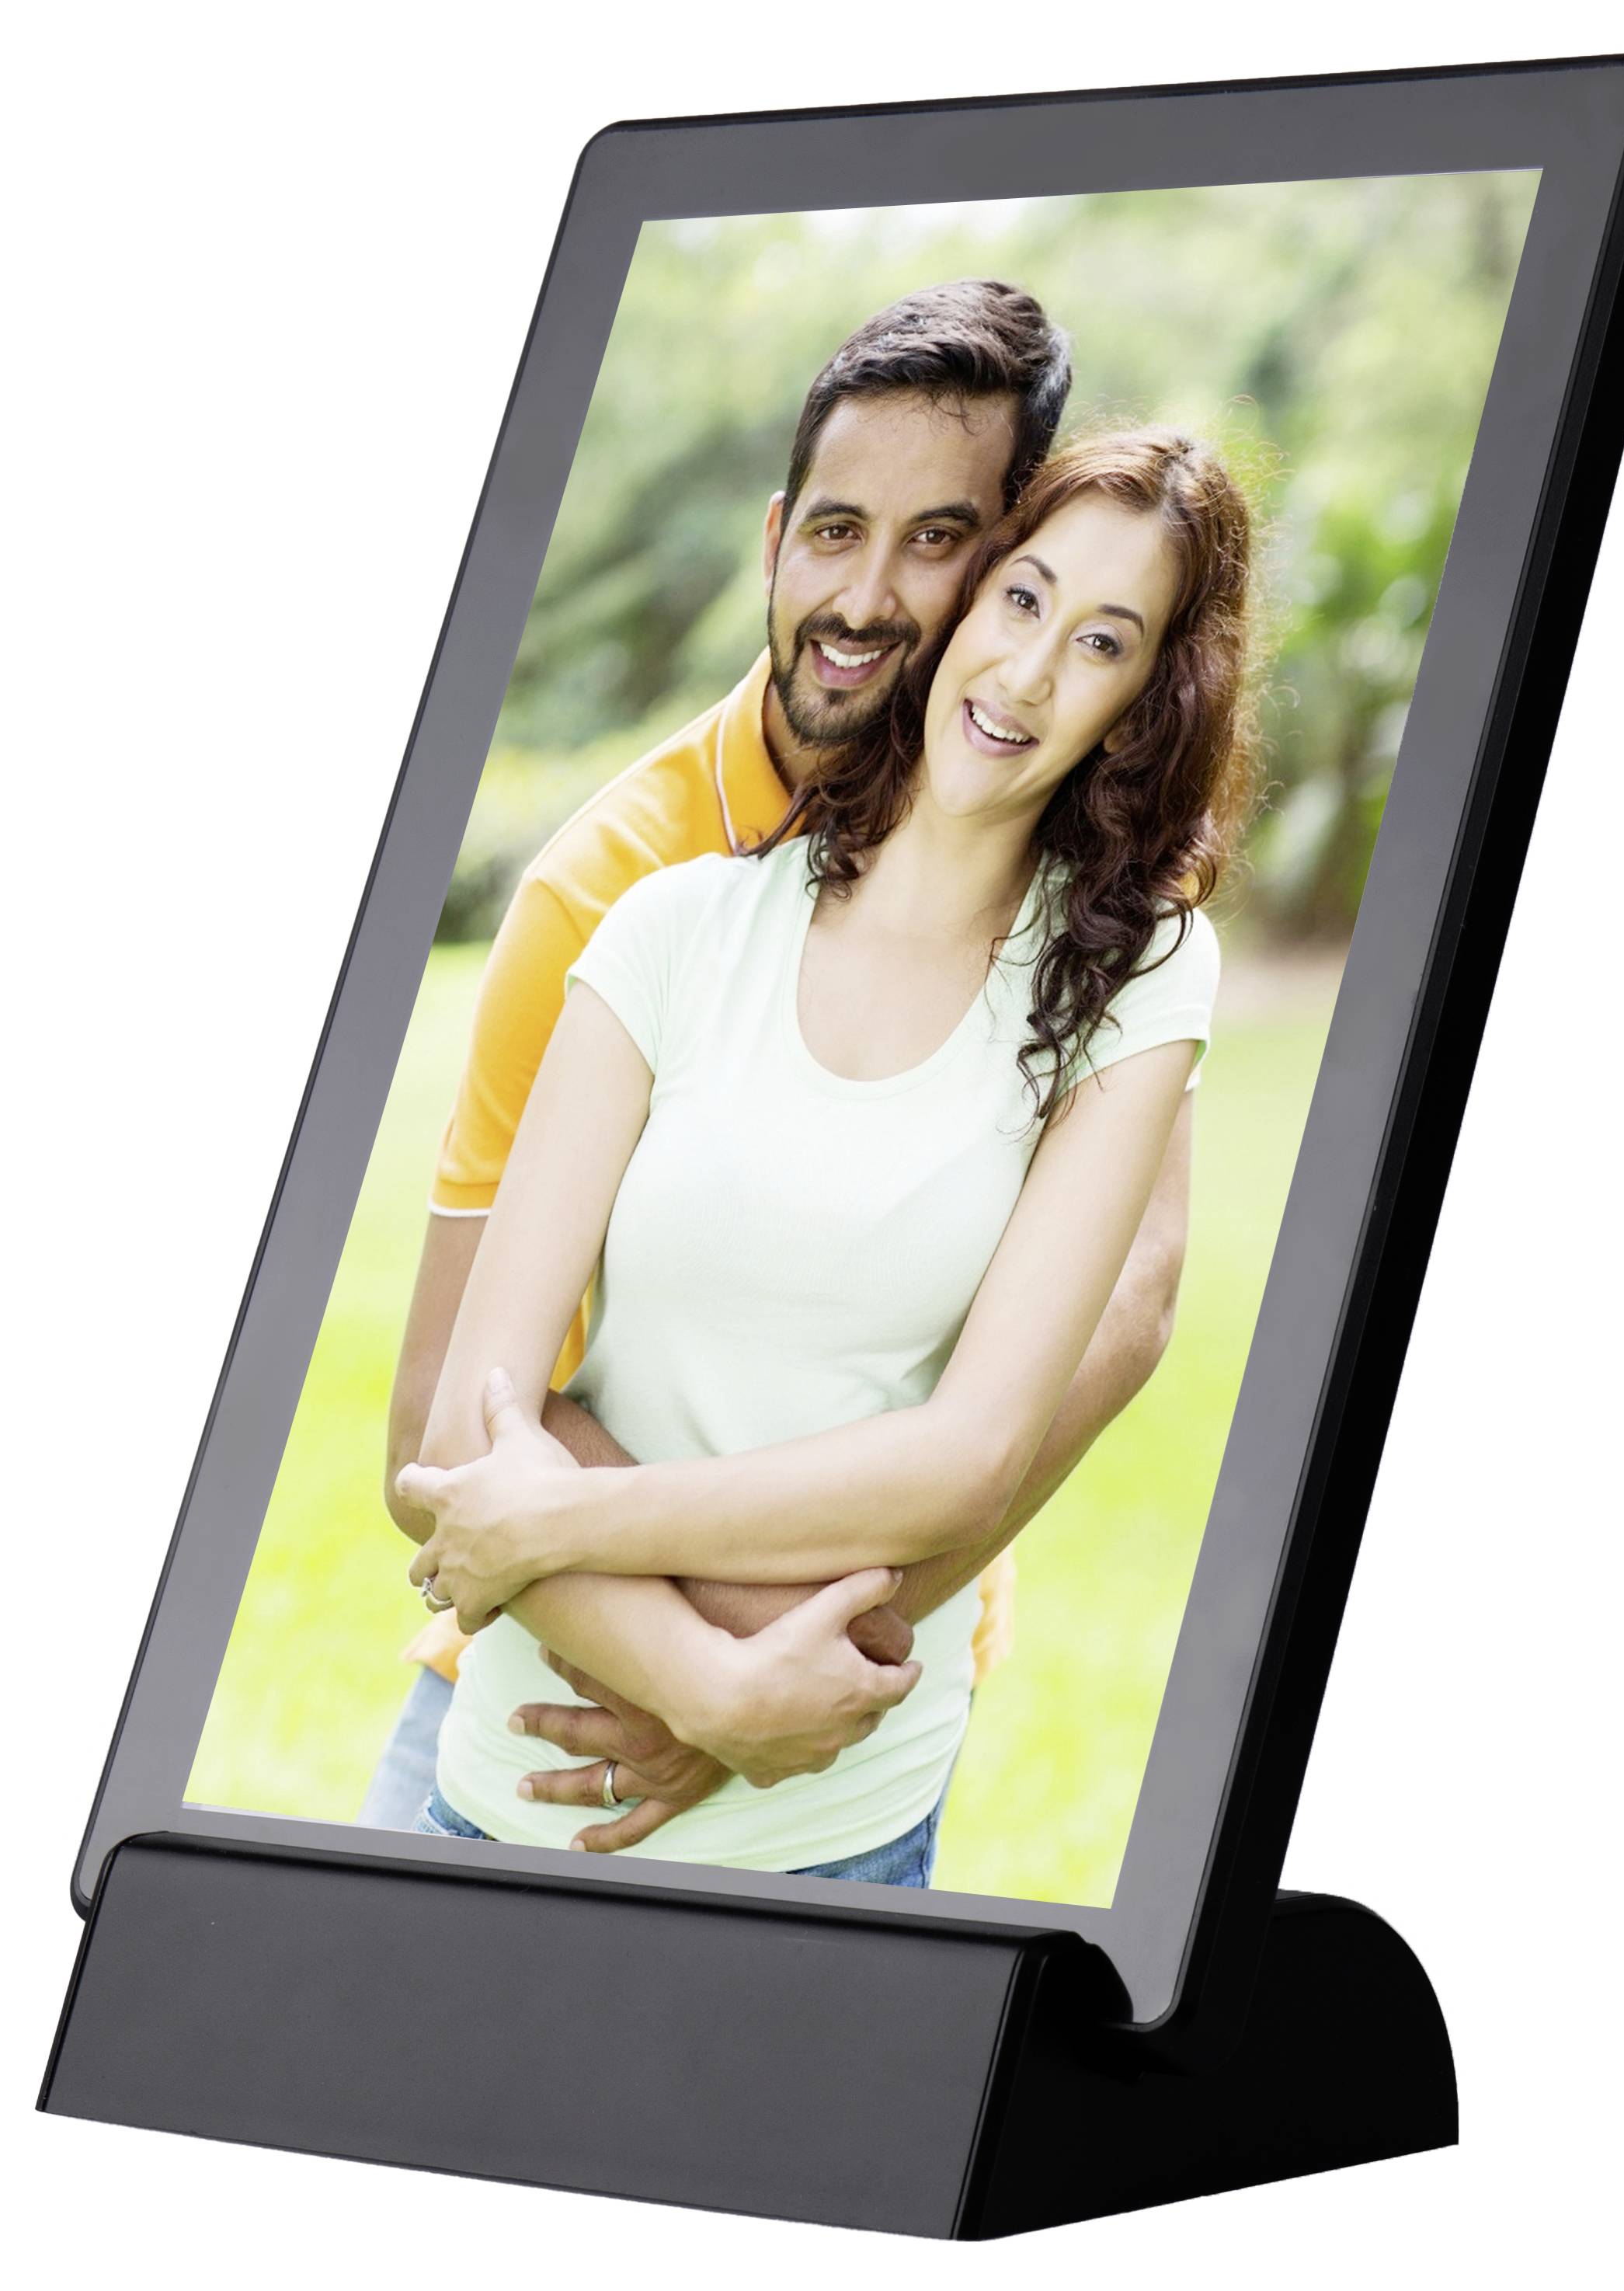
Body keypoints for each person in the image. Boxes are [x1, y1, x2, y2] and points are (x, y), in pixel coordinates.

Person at [365, 284, 1199, 1855]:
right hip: (556, 1676)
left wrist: (808, 1662)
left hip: (853, 1707)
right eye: (832, 530)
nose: (867, 595)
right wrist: (703, 1678)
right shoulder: (613, 891)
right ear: (772, 539)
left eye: (939, 541)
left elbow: (1130, 1299)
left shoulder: (1098, 892)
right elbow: (442, 1412)